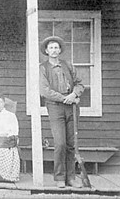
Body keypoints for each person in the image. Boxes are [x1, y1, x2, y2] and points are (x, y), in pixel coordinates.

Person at [40, 35, 84, 188]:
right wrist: (64, 98)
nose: (54, 50)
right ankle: (59, 177)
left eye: (56, 47)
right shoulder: (43, 68)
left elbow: (80, 84)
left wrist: (74, 94)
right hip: (55, 107)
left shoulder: (68, 65)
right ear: (46, 50)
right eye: (51, 47)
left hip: (72, 107)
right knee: (60, 143)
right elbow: (45, 90)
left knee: (71, 144)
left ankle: (71, 177)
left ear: (60, 50)